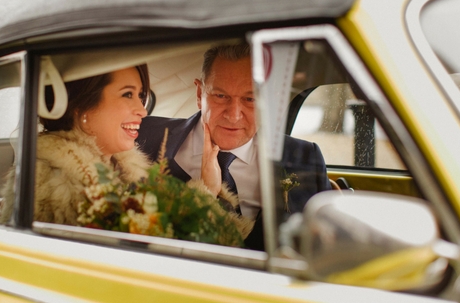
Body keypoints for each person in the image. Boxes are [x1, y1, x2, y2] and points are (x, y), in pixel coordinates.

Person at [0, 63, 252, 245]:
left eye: (140, 96)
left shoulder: (121, 169)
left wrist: (208, 188)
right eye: (127, 94)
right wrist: (205, 194)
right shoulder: (54, 182)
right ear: (82, 106)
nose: (142, 110)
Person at [136, 43, 331, 251]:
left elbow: (322, 249)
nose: (234, 115)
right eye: (220, 96)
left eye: (250, 99)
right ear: (199, 94)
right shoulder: (144, 137)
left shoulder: (305, 158)